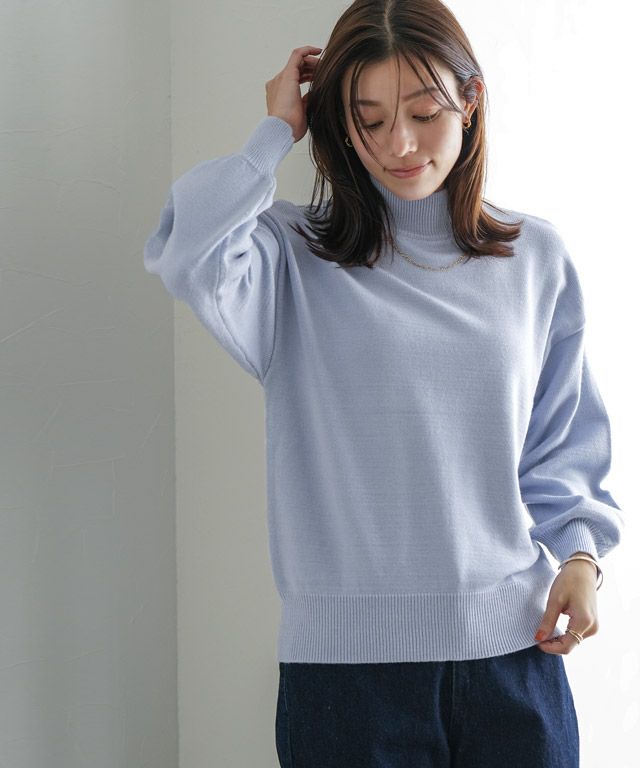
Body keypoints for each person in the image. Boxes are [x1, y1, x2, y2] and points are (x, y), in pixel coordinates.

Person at [143, 1, 624, 765]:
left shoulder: (535, 259)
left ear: (471, 100)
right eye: (367, 120)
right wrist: (275, 131)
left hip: (516, 663)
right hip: (346, 684)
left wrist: (581, 558)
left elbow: (560, 444)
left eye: (424, 113)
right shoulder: (288, 258)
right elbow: (185, 249)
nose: (398, 144)